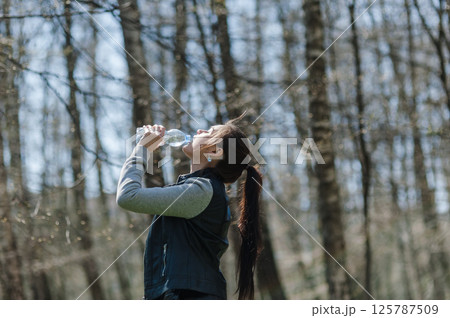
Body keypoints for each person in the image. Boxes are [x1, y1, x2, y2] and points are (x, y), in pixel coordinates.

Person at [116, 115, 263, 300]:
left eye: (209, 132)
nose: (200, 131)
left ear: (215, 152)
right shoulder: (201, 190)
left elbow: (128, 196)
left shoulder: (201, 192)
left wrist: (143, 149)